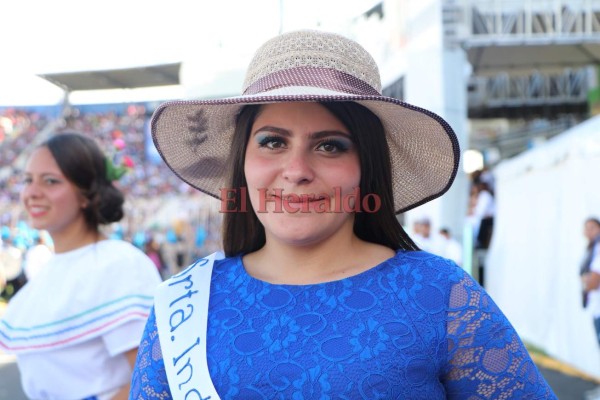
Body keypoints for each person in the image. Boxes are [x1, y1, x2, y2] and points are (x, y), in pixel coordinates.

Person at [130, 30, 556, 399]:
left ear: (365, 167)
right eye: (273, 142)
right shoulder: (182, 305)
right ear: (242, 159)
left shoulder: (441, 295)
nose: (296, 171)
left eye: (330, 145)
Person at [0, 133, 162, 400]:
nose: (31, 193)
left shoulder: (118, 264)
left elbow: (153, 377)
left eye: (50, 181)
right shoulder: (48, 268)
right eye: (28, 180)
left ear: (86, 194)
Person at [581, 217, 600, 400]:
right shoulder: (592, 248)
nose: (589, 231)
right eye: (586, 228)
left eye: (592, 227)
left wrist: (586, 281)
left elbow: (593, 281)